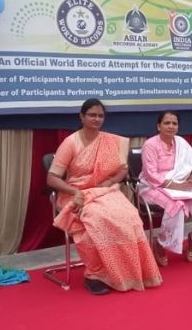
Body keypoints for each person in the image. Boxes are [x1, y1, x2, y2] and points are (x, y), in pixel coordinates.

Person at [46, 99, 162, 295]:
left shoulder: (111, 141)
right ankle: (95, 274)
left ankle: (128, 270)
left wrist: (110, 182)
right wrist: (75, 192)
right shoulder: (71, 142)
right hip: (76, 194)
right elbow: (52, 178)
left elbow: (123, 170)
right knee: (97, 221)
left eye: (100, 116)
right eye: (92, 115)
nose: (97, 119)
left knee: (130, 216)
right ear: (82, 117)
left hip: (105, 191)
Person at [138, 111, 192, 266]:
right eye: (167, 123)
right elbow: (151, 175)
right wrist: (177, 186)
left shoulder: (181, 142)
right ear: (159, 126)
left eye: (174, 123)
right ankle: (161, 244)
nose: (171, 126)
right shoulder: (150, 145)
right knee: (176, 205)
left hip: (181, 186)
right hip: (153, 187)